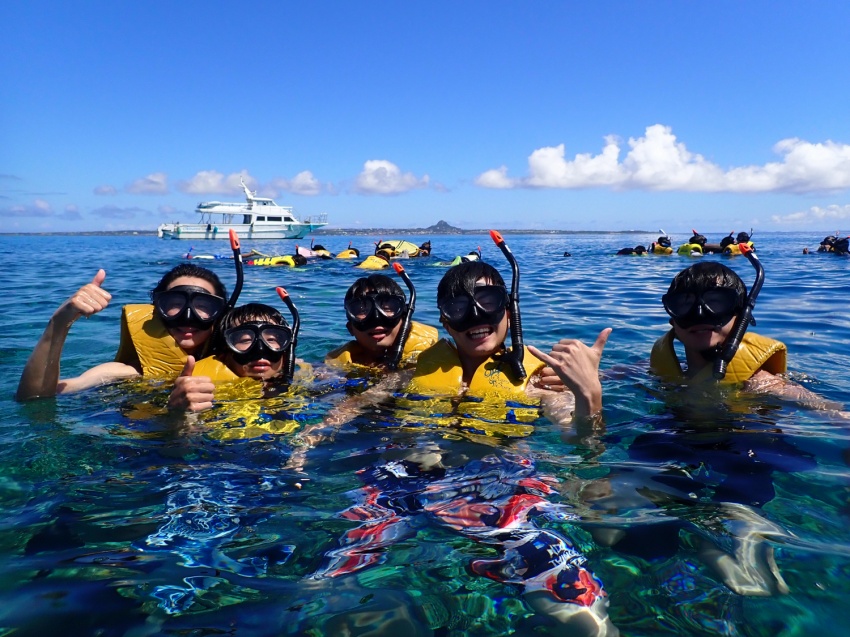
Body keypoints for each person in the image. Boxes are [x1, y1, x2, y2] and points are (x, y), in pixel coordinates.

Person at [16, 263, 228, 401]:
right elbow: (36, 397)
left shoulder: (243, 366)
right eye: (174, 303)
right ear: (156, 310)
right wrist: (60, 321)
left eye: (203, 305)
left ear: (220, 314)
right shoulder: (126, 373)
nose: (188, 316)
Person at [167, 301, 302, 412]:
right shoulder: (206, 393)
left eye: (272, 339)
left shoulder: (305, 379)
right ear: (224, 352)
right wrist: (180, 414)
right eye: (245, 340)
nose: (260, 349)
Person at [325, 274, 438, 371]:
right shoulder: (335, 368)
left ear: (404, 318)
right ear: (350, 328)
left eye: (388, 308)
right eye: (362, 310)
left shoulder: (430, 357)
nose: (376, 319)